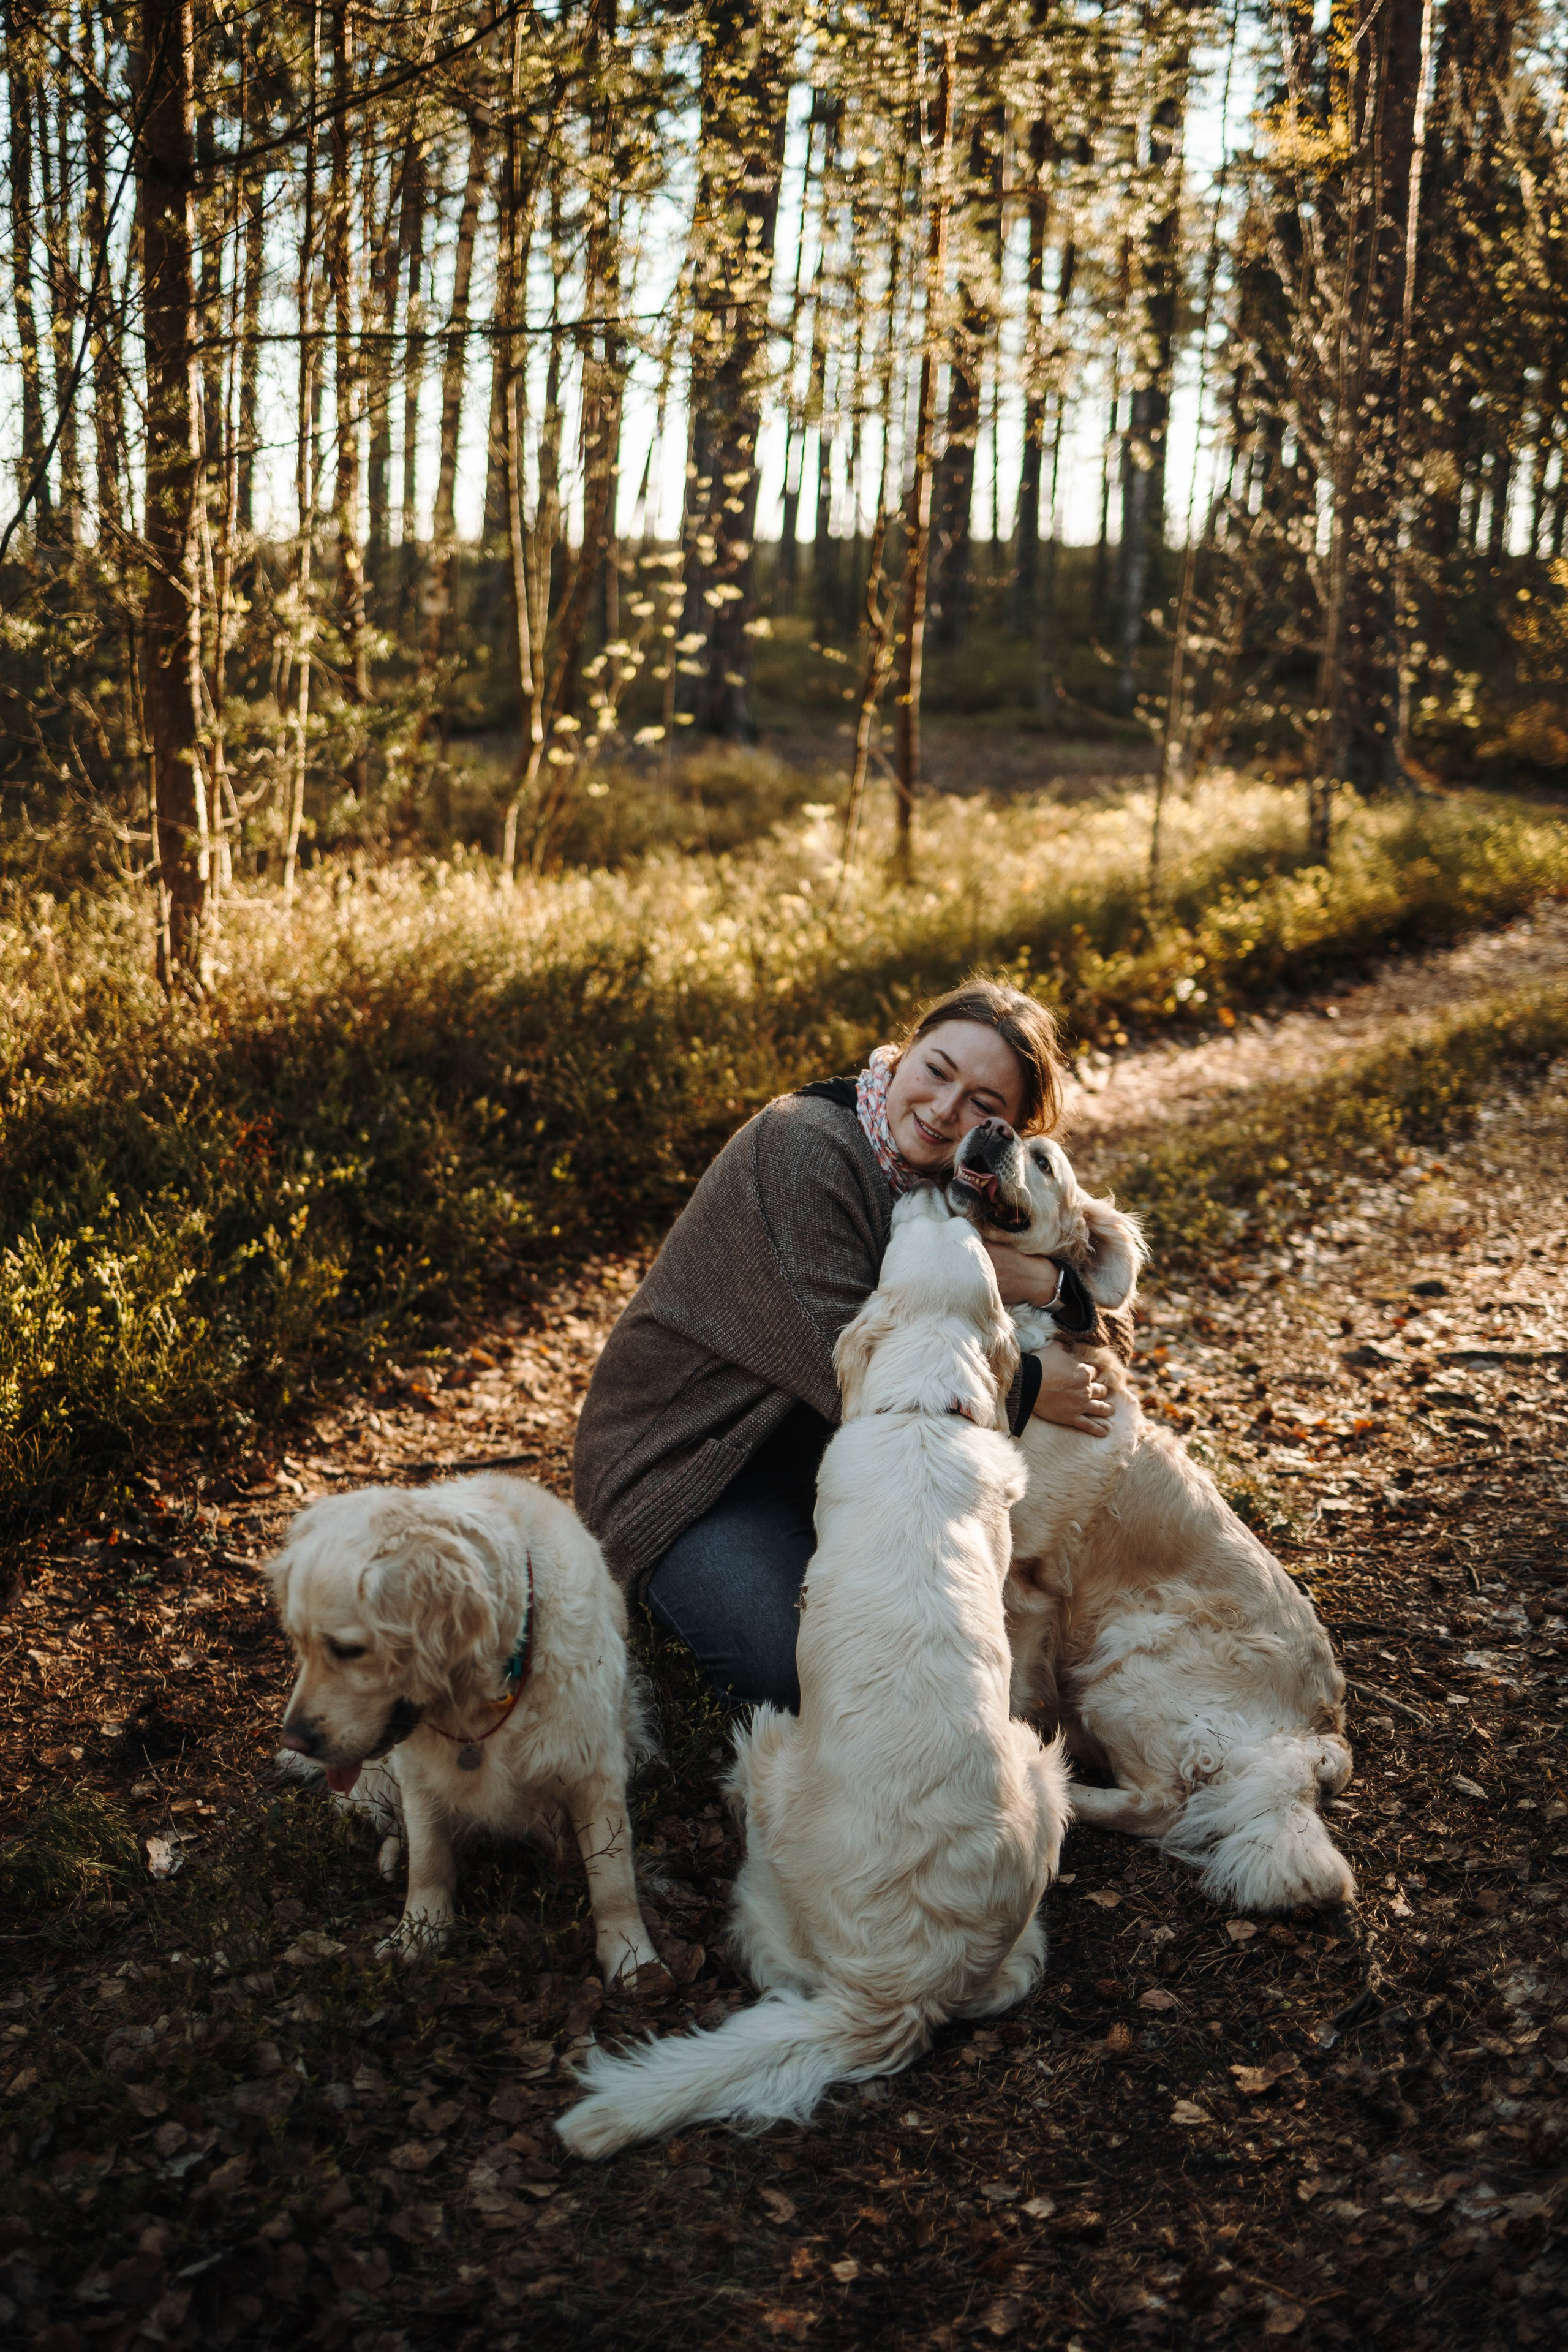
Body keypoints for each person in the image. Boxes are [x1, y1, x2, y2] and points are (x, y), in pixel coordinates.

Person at [572, 979, 1112, 1712]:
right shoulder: (804, 1149)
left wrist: (1044, 1279)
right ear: (900, 1056)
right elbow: (852, 1366)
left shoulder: (964, 1189)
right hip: (697, 1467)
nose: (947, 1110)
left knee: (923, 1645)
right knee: (804, 1669)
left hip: (836, 1458)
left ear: (1007, 1131)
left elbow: (1105, 1322)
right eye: (937, 1070)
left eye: (985, 1105)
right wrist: (1027, 1388)